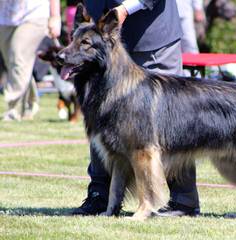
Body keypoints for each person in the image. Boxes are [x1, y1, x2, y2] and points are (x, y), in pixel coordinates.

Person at [72, 0, 200, 217]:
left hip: (151, 38)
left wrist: (124, 9)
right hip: (98, 31)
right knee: (100, 117)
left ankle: (183, 200)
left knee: (168, 119)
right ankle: (100, 196)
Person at [0, 0, 61, 121]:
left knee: (18, 55)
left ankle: (12, 107)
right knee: (14, 65)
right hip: (5, 16)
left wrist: (55, 16)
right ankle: (30, 104)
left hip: (34, 13)